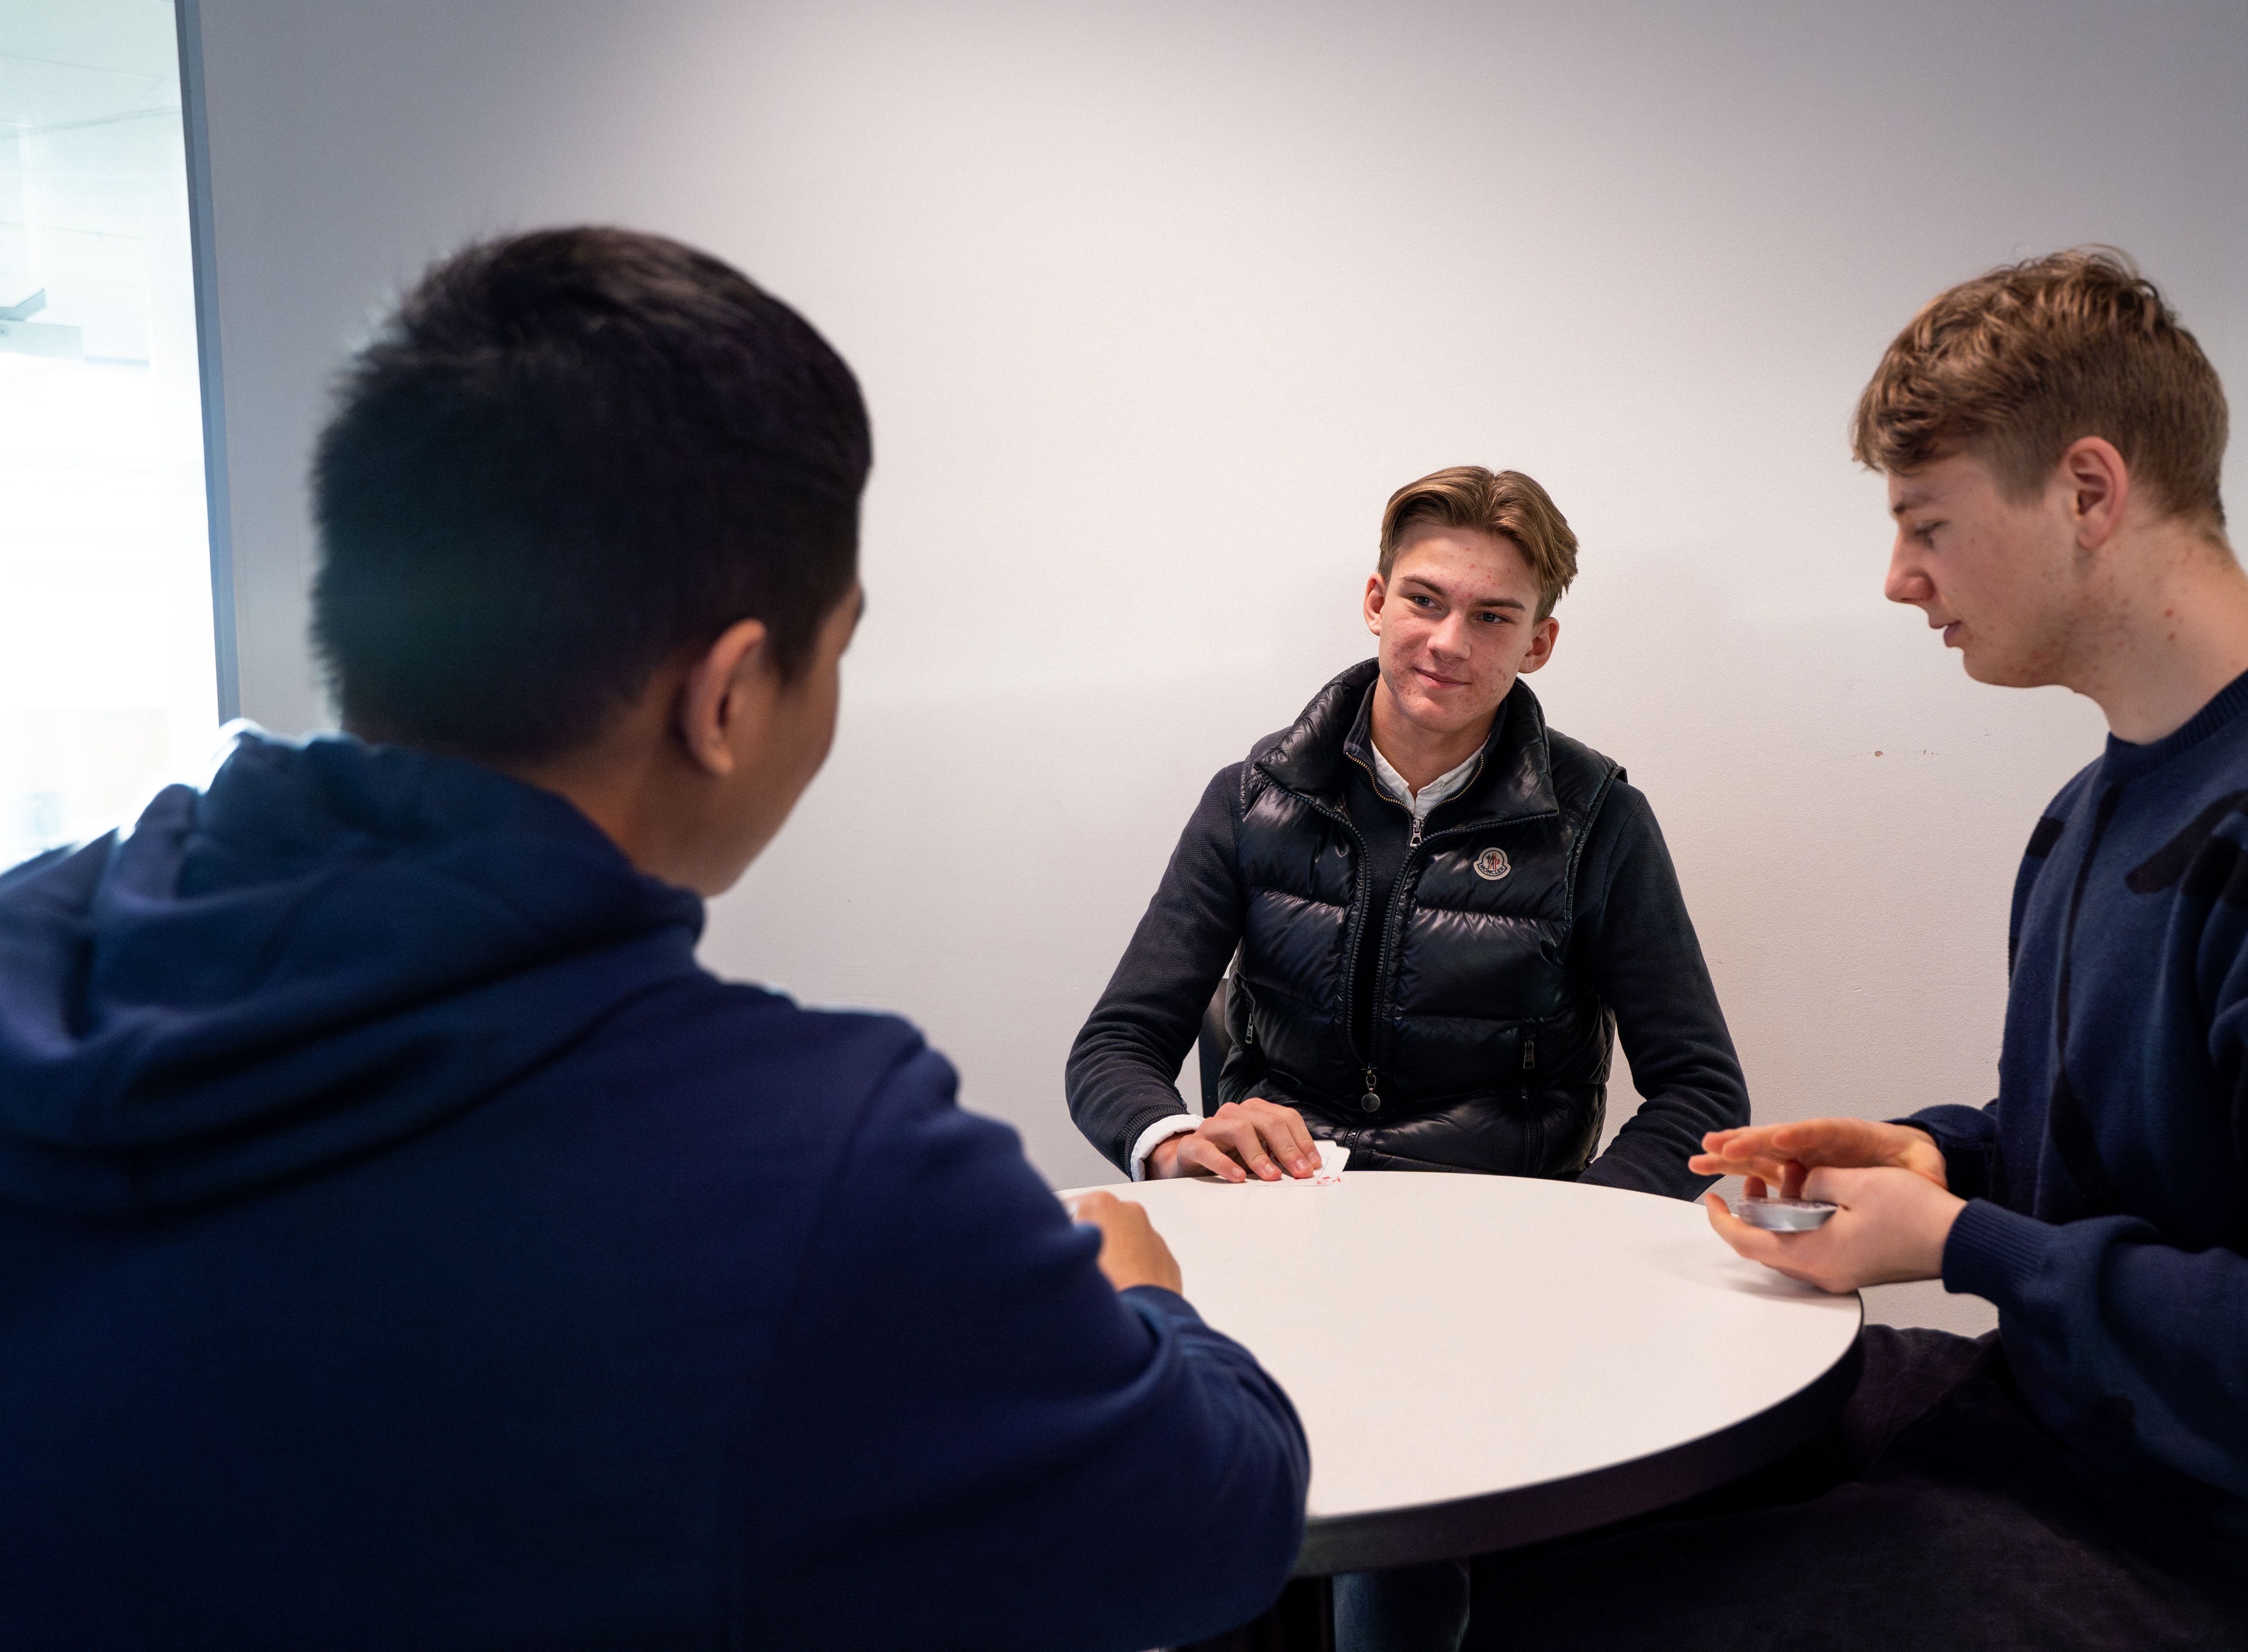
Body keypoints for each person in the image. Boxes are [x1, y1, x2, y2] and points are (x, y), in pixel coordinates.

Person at [0, 228, 1307, 1651]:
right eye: (839, 646)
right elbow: (1216, 1517)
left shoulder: (36, 947)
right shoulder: (833, 1167)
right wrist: (1150, 1302)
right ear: (728, 693)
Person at [1462, 250, 2248, 1652]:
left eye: (1927, 524)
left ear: (2087, 492)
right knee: (1504, 1522)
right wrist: (1940, 1158)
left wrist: (1958, 1240)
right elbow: (2156, 1161)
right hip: (2066, 1421)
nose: (1898, 579)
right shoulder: (2092, 811)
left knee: (1541, 1622)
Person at [1065, 465, 1747, 1196]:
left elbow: (1700, 1092)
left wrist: (1580, 1225)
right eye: (1424, 600)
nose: (1449, 642)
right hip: (1282, 1211)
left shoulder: (1601, 821)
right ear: (1376, 601)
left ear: (1538, 644)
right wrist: (1172, 1146)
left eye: (1492, 617)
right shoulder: (1250, 797)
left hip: (1504, 1223)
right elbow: (1117, 1043)